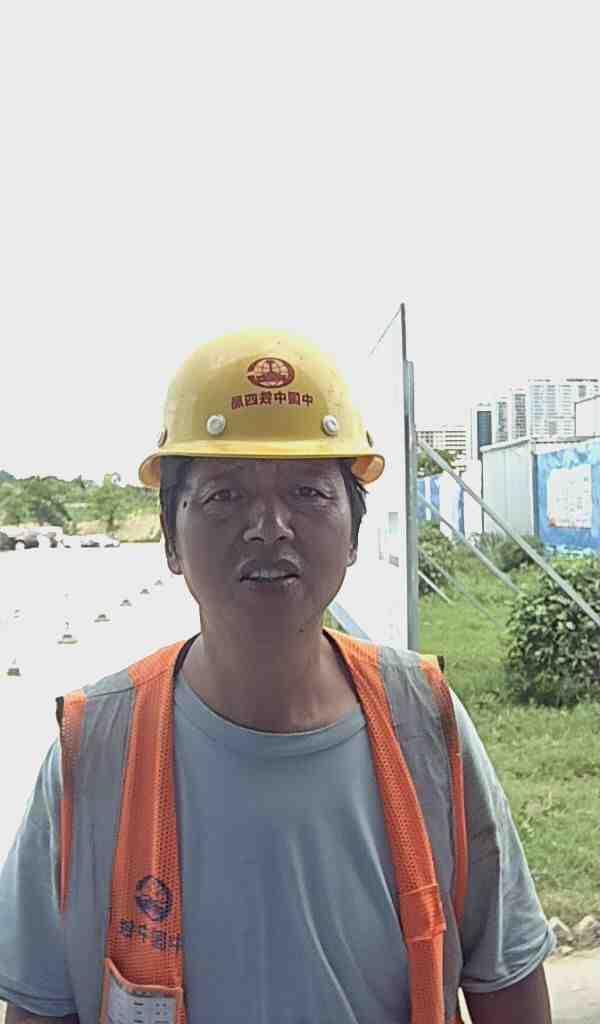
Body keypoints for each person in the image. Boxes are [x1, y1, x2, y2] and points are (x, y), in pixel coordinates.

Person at [0, 328, 555, 1024]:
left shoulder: (423, 720)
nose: (269, 526)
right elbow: (39, 1008)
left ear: (353, 532)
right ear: (171, 539)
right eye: (224, 495)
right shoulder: (95, 746)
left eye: (308, 491)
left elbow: (507, 979)